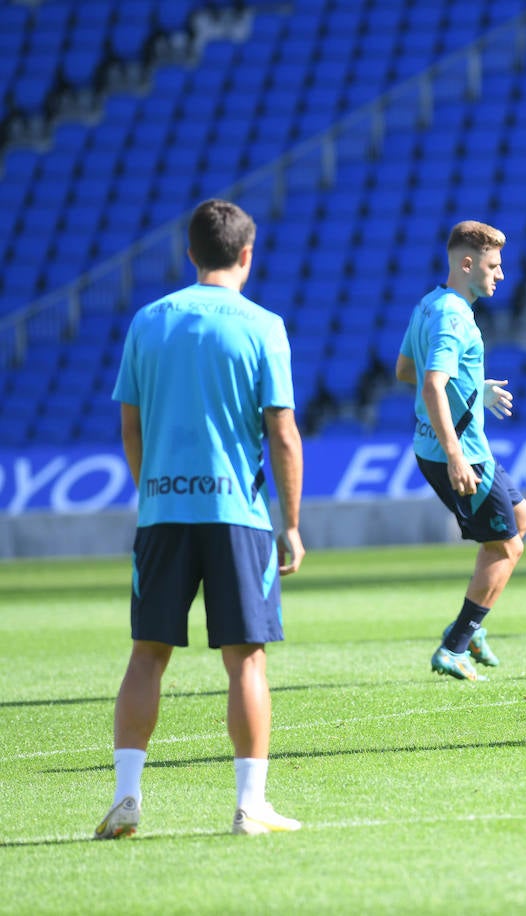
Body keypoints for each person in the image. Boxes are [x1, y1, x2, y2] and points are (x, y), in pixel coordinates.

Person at [98, 199, 305, 839]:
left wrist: (151, 490)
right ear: (247, 255)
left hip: (163, 510)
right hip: (235, 514)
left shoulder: (148, 321)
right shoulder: (263, 325)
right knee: (245, 660)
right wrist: (291, 523)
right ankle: (250, 805)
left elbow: (129, 425)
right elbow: (283, 433)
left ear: (190, 254)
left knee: (147, 654)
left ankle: (127, 797)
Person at [395, 220, 526, 682]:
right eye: (494, 265)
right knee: (507, 546)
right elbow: (431, 383)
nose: (501, 274)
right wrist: (455, 455)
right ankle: (455, 645)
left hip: (453, 445)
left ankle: (467, 627)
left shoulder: (430, 304)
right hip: (461, 452)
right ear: (468, 263)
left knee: (522, 518)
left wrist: (473, 388)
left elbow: (403, 370)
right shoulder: (454, 316)